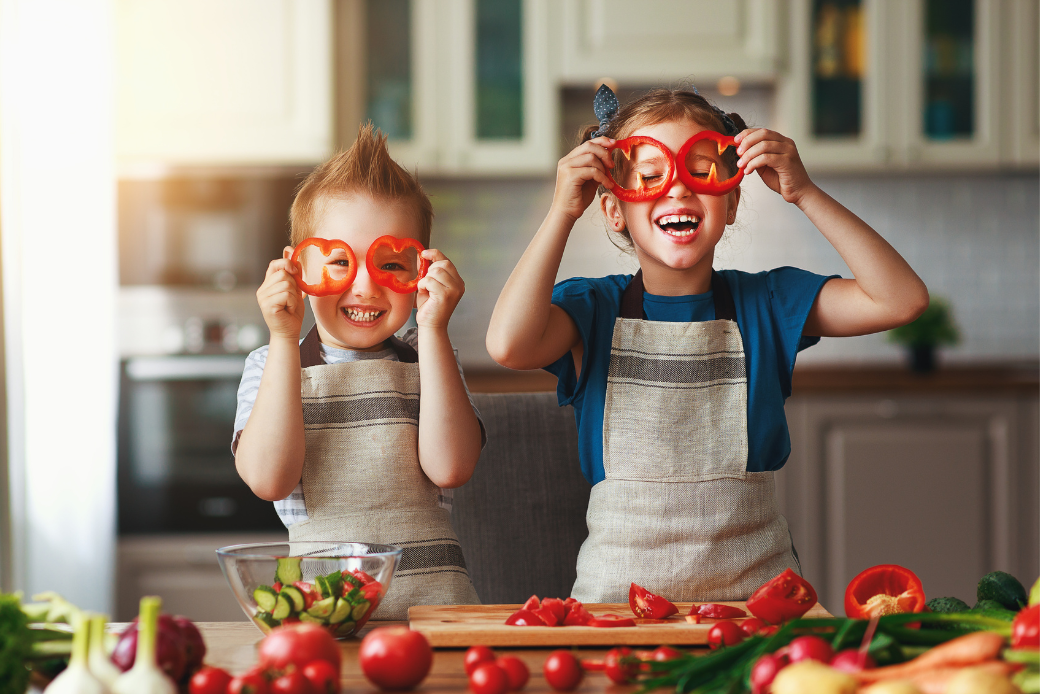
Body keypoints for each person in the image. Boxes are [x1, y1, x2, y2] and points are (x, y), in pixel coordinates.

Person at [486, 86, 928, 603]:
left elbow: (900, 300)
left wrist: (804, 191)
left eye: (702, 172)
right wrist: (561, 211)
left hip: (759, 611)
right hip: (615, 613)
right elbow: (508, 346)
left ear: (734, 200)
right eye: (650, 176)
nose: (676, 190)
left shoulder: (768, 301)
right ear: (613, 210)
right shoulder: (591, 310)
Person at [234, 124, 483, 618]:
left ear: (423, 269)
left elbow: (451, 468)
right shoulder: (272, 365)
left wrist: (434, 330)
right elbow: (269, 480)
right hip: (327, 616)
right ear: (296, 270)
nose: (366, 287)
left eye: (391, 264)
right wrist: (284, 337)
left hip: (435, 616)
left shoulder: (429, 359)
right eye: (338, 263)